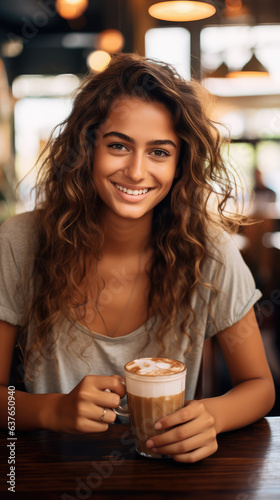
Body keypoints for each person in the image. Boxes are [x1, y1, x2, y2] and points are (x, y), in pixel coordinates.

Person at [0, 53, 275, 463]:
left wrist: (213, 416)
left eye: (160, 152)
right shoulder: (19, 243)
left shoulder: (210, 251)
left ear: (180, 164)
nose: (136, 171)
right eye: (118, 146)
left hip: (173, 480)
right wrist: (51, 410)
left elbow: (259, 385)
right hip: (45, 475)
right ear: (86, 148)